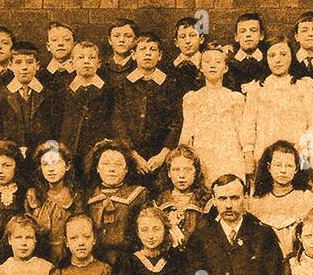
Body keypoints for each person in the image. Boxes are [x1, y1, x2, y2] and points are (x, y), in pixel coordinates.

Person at [176, 174, 285, 275]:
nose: (228, 205)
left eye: (234, 198)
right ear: (214, 201)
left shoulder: (263, 236)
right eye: (222, 198)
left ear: (245, 198)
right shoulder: (201, 239)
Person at [240, 38, 313, 173]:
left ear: (292, 56)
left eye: (283, 54)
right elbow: (248, 124)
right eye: (272, 55)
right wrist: (249, 153)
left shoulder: (303, 86)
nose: (277, 60)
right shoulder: (257, 89)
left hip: (298, 155)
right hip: (264, 156)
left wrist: (305, 149)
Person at [112, 33, 181, 186]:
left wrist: (162, 155)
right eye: (142, 49)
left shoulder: (170, 85)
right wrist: (134, 156)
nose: (148, 53)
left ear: (160, 55)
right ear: (134, 55)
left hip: (161, 157)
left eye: (153, 49)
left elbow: (176, 123)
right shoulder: (123, 85)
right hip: (131, 157)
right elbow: (119, 123)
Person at [179, 42, 249, 185]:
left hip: (229, 154)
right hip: (203, 154)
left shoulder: (235, 98)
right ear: (201, 68)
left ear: (225, 68)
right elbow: (186, 132)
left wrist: (247, 156)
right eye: (207, 62)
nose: (212, 65)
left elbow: (242, 131)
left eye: (218, 62)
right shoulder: (192, 98)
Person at [0, 40, 61, 160]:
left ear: (37, 66)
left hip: (40, 157)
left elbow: (54, 131)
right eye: (18, 62)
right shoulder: (0, 95)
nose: (24, 67)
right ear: (10, 66)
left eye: (29, 62)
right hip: (11, 157)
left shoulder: (48, 95)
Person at [83, 139, 150, 266]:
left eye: (118, 164)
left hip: (129, 261)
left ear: (126, 169)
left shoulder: (139, 195)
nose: (111, 169)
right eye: (106, 164)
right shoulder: (89, 197)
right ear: (97, 168)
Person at [247, 140, 313, 257]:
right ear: (269, 168)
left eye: (289, 165)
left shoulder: (306, 199)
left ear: (296, 169)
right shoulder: (256, 202)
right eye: (278, 165)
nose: (283, 170)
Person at [24, 140, 84, 263]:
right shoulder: (33, 195)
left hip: (66, 256)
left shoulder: (75, 196)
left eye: (55, 163)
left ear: (67, 166)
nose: (51, 169)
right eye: (45, 164)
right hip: (38, 256)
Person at [58, 39, 114, 165]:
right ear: (72, 64)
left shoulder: (108, 91)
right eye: (81, 57)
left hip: (97, 151)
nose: (86, 61)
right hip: (69, 150)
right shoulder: (64, 92)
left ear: (99, 63)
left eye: (92, 57)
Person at [155, 145, 212, 248]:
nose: (181, 175)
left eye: (187, 169)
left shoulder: (206, 202)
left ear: (196, 172)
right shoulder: (159, 202)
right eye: (176, 169)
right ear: (169, 173)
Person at [226, 12, 269, 91]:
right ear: (236, 37)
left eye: (253, 30)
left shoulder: (268, 61)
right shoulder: (229, 62)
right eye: (243, 31)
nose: (248, 35)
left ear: (261, 35)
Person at [41, 21, 76, 90]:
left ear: (74, 45)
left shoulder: (80, 71)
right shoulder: (41, 73)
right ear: (48, 46)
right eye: (54, 40)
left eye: (66, 39)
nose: (60, 43)